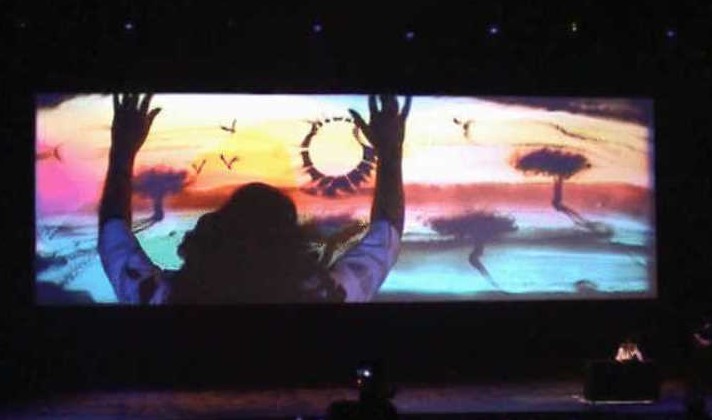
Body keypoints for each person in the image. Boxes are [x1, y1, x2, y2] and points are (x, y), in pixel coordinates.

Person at [98, 93, 411, 304]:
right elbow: (385, 239)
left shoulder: (166, 297)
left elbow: (113, 236)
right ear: (291, 241)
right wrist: (390, 153)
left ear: (216, 233)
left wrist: (122, 150)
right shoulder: (325, 296)